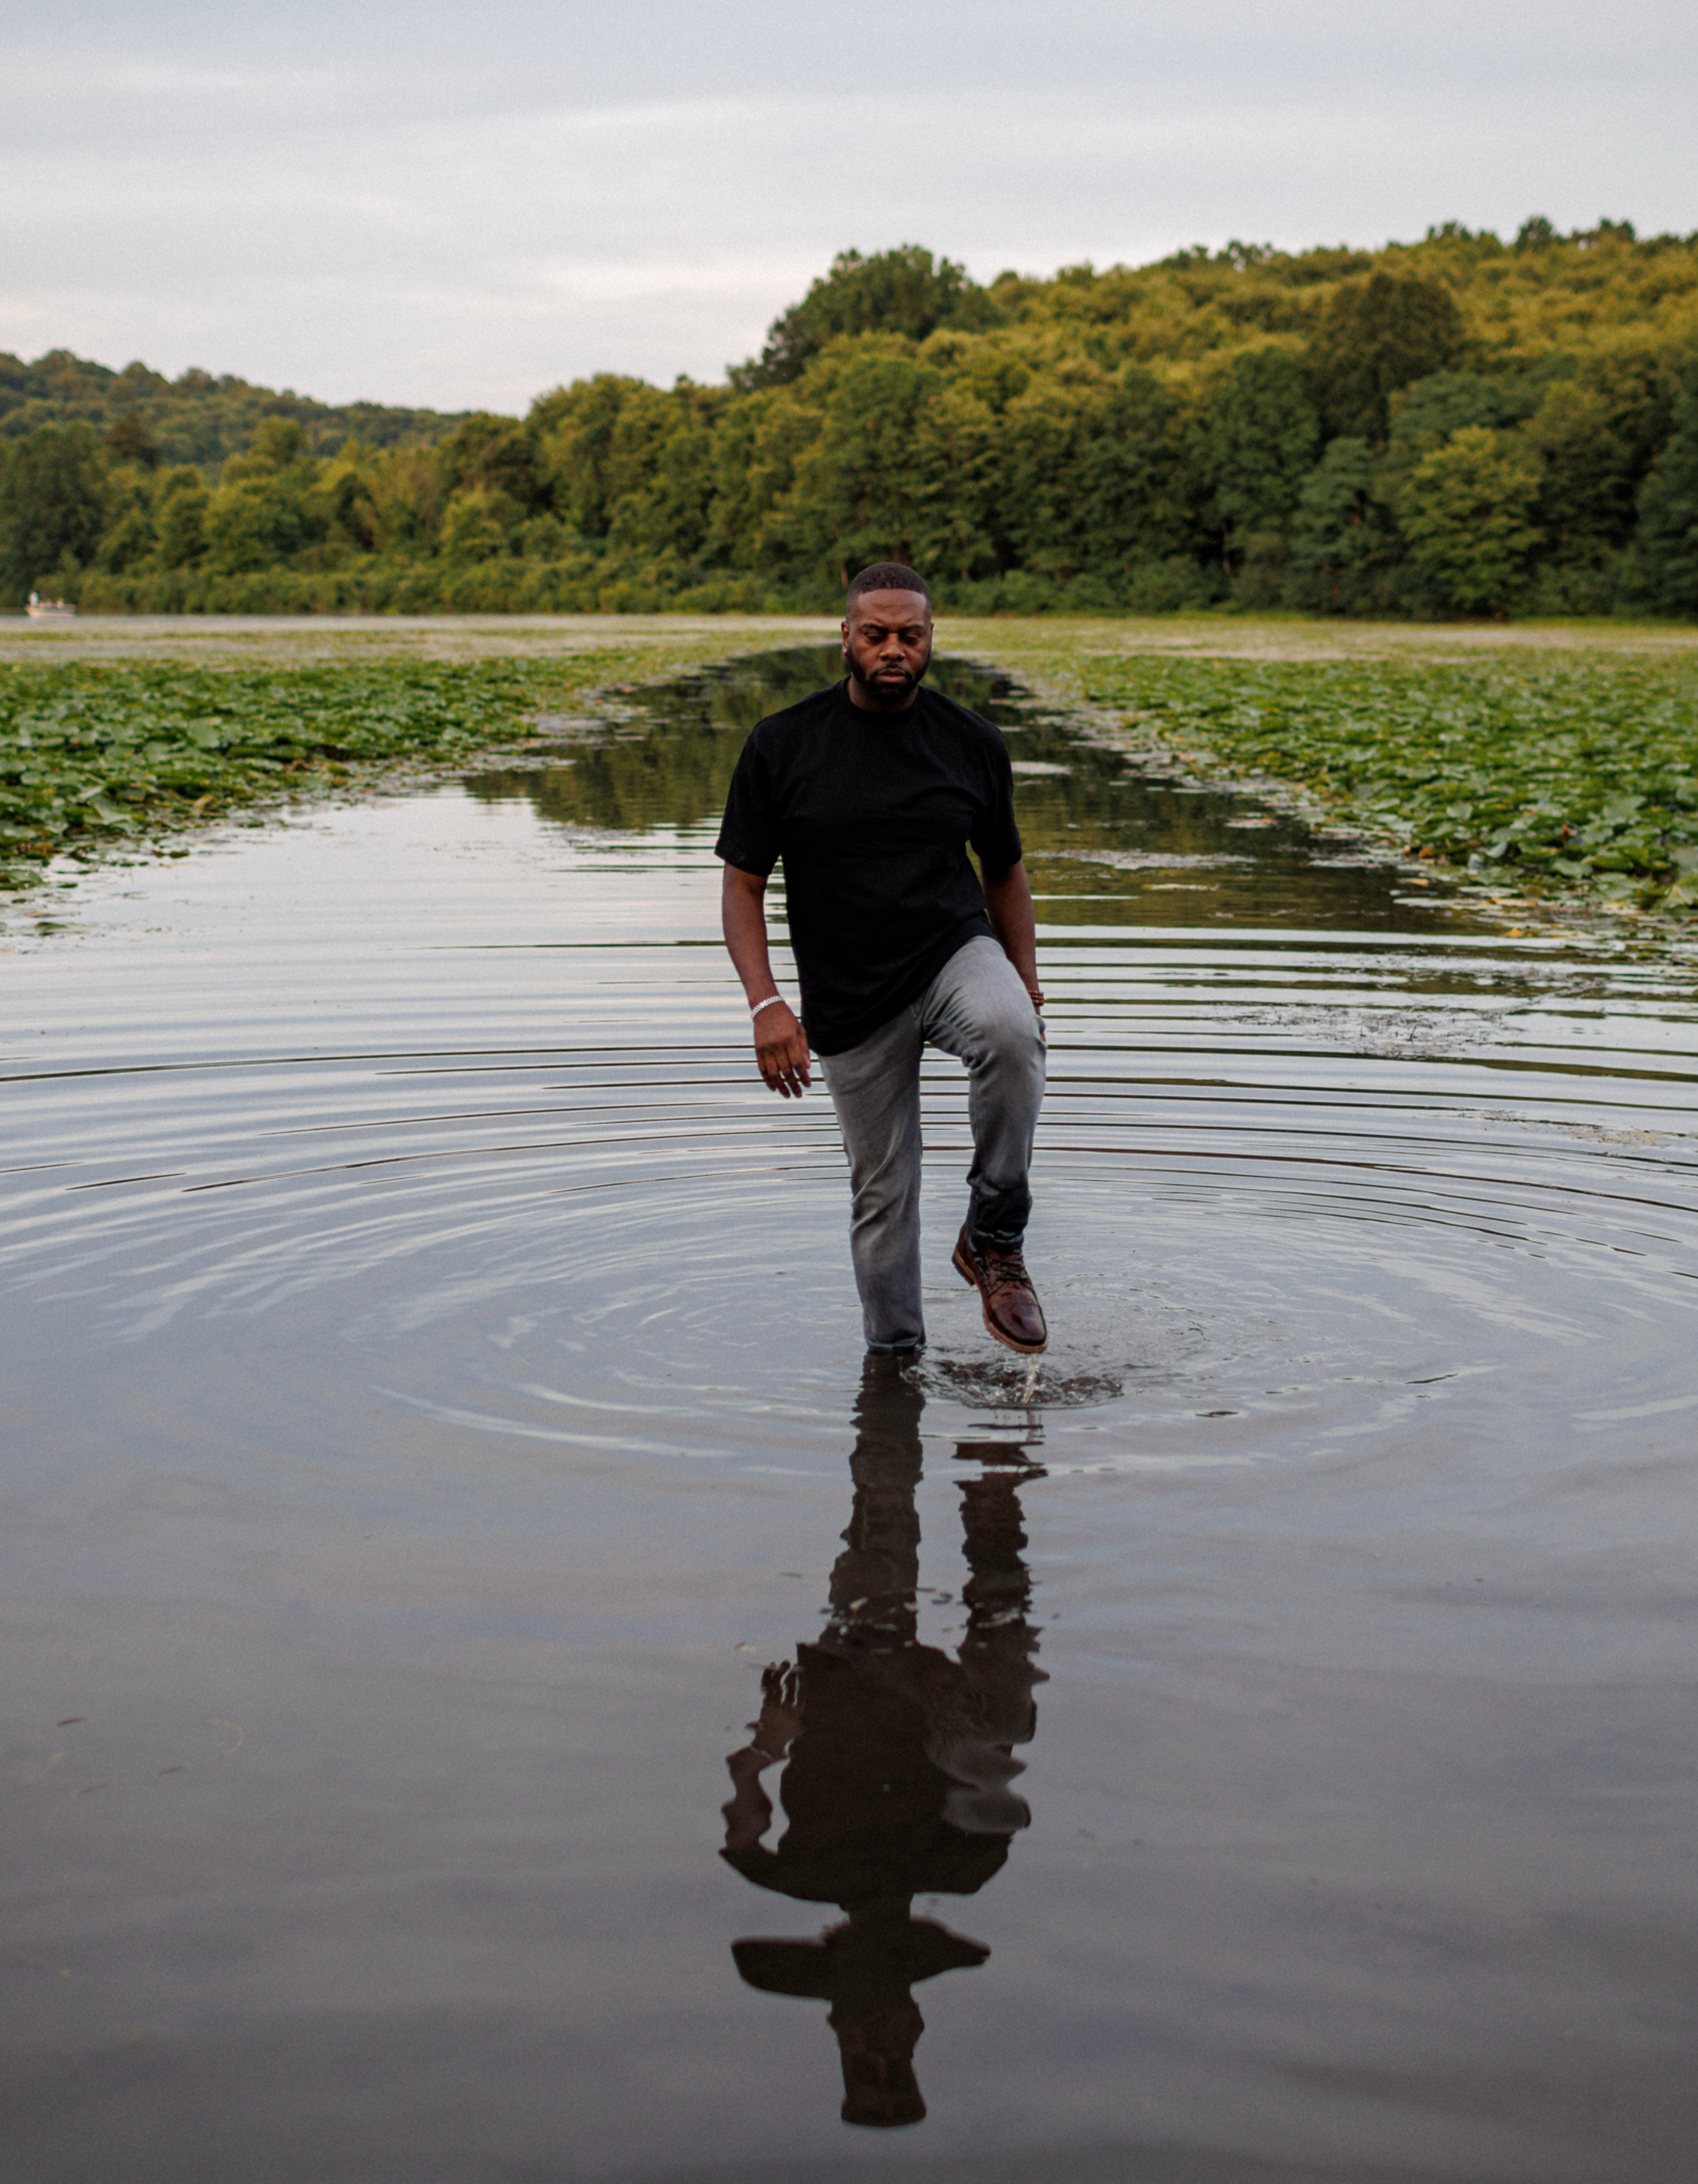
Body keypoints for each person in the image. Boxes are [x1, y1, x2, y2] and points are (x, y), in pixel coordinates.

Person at [716, 563, 1048, 1355]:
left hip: (950, 954)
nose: (893, 649)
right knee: (883, 1197)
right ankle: (895, 1377)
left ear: (932, 639)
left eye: (910, 634)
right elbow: (741, 886)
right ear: (846, 638)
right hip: (848, 992)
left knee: (1011, 1034)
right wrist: (767, 1004)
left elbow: (1005, 873)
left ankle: (994, 1240)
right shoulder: (783, 745)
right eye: (876, 634)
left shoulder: (971, 743)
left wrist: (1027, 988)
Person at [721, 1354, 1043, 2128]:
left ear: (840, 2031)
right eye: (892, 2060)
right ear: (914, 2030)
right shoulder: (966, 1867)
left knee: (881, 1513)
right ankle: (994, 1491)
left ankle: (893, 1392)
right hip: (914, 1703)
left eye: (865, 2062)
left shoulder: (789, 1876)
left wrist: (770, 1741)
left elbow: (740, 1817)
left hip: (854, 1673)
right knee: (995, 1763)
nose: (878, 2042)